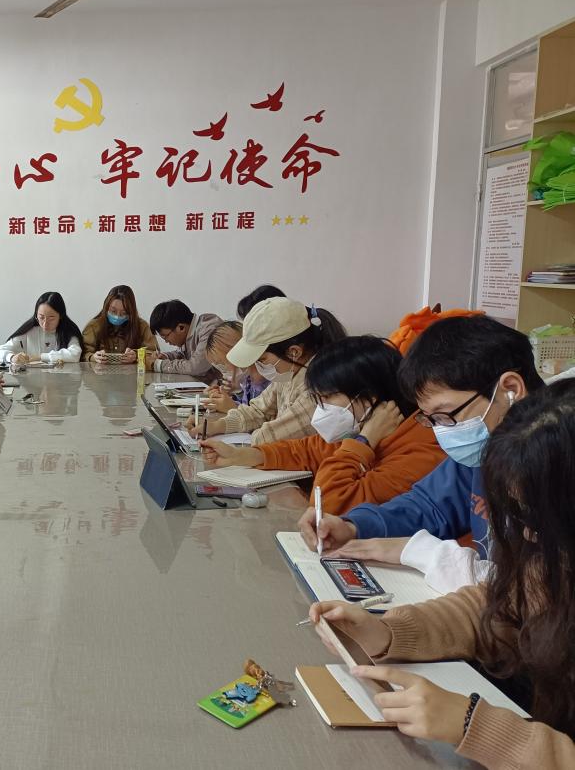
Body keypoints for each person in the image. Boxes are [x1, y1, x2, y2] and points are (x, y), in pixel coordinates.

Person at [306, 380, 575, 769]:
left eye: (538, 517)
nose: (529, 534)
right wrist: (388, 632)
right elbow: (497, 606)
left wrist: (478, 727)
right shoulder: (554, 558)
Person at [298, 315, 545, 593]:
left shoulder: (557, 460)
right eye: (432, 420)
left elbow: (541, 588)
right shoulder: (483, 450)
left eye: (446, 415)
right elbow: (428, 506)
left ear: (510, 389)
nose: (441, 431)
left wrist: (420, 551)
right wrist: (353, 526)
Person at [201, 336, 445, 515]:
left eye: (327, 398)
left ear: (369, 397)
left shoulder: (420, 450)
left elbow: (327, 505)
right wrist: (242, 456)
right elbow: (307, 450)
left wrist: (362, 444)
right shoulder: (365, 425)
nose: (321, 408)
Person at [196, 297, 347, 444]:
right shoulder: (288, 373)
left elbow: (269, 437)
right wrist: (215, 426)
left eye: (262, 360)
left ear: (294, 352)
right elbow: (257, 411)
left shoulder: (319, 387)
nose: (258, 366)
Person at [0, 292, 83, 365]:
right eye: (41, 317)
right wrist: (12, 357)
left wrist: (40, 357)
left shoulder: (68, 331)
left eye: (51, 318)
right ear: (36, 314)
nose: (45, 323)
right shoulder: (29, 331)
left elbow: (75, 354)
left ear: (61, 316)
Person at [81, 284, 157, 363]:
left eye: (124, 313)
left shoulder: (142, 326)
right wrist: (93, 357)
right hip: (99, 370)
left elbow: (153, 353)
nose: (117, 316)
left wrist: (136, 356)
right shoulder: (94, 326)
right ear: (106, 307)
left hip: (131, 371)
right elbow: (82, 353)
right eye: (113, 311)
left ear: (131, 312)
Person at [203, 320, 268, 412]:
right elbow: (247, 405)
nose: (225, 370)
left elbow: (262, 416)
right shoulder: (248, 380)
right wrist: (225, 399)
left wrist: (233, 408)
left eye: (224, 364)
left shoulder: (267, 379)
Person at [145, 299, 221, 378]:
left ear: (181, 328)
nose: (166, 341)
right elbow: (181, 354)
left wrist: (157, 365)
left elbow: (196, 367)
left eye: (165, 336)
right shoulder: (190, 332)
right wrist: (165, 356)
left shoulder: (210, 328)